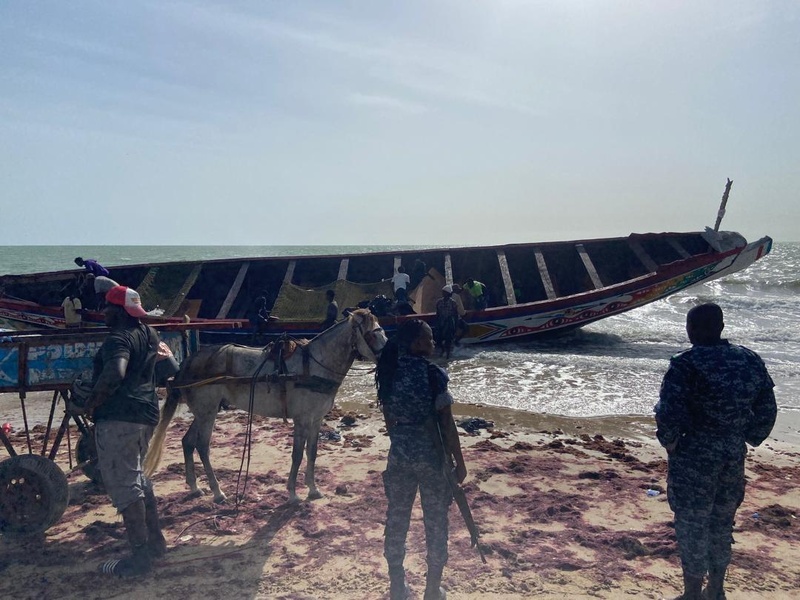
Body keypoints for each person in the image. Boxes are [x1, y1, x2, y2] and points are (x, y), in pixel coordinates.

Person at [654, 303, 776, 600]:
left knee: (693, 524)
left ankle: (693, 593)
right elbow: (767, 408)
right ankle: (716, 591)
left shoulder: (686, 363)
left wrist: (669, 441)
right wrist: (749, 437)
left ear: (692, 329)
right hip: (731, 454)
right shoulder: (749, 360)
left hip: (694, 455)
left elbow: (669, 412)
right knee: (721, 524)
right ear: (720, 327)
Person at [375, 319, 467, 600]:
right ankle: (431, 590)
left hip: (399, 457)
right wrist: (460, 462)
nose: (433, 342)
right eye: (428, 338)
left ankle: (396, 587)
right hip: (432, 460)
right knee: (436, 523)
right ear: (415, 343)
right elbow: (447, 424)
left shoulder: (388, 372)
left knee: (397, 519)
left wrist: (404, 441)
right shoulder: (433, 375)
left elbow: (390, 421)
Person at [83, 285, 167, 577]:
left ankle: (140, 560)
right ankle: (156, 542)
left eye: (107, 308)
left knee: (125, 486)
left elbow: (116, 372)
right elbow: (162, 366)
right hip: (146, 414)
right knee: (138, 478)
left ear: (119, 312)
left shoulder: (117, 339)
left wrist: (91, 403)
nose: (103, 312)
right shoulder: (149, 333)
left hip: (120, 418)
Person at [435, 286, 459, 359]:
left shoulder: (453, 302)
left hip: (449, 322)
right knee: (438, 339)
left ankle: (448, 356)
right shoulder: (439, 302)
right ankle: (443, 351)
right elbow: (437, 313)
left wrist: (456, 326)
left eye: (444, 292)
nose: (442, 293)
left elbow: (455, 315)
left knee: (448, 340)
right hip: (441, 322)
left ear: (448, 293)